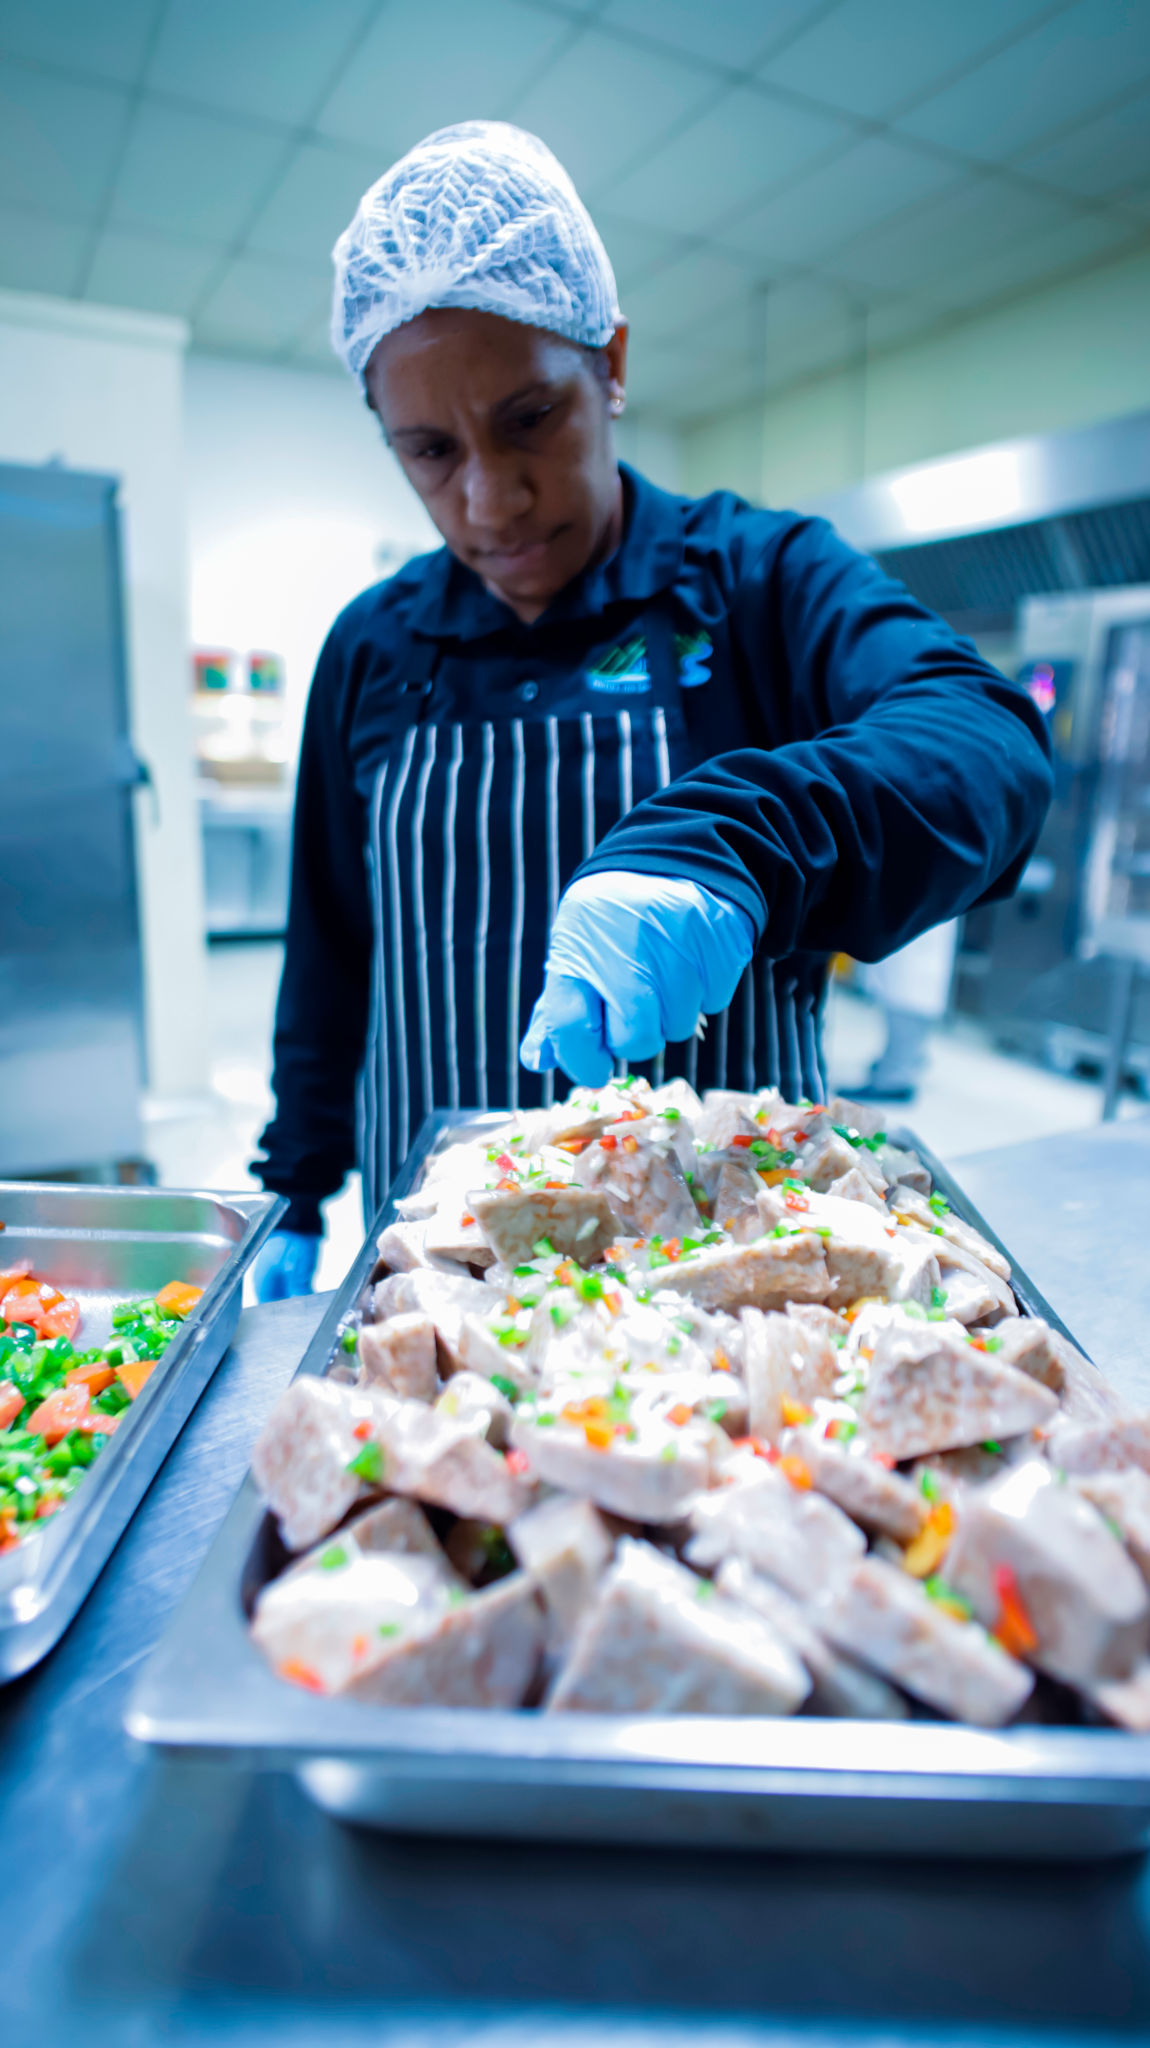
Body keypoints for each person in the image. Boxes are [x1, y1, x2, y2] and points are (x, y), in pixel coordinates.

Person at [251, 120, 1052, 1300]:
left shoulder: (759, 580)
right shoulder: (372, 646)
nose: (490, 498)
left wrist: (741, 843)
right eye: (428, 451)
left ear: (610, 363)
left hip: (729, 1282)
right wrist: (295, 1185)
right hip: (440, 1271)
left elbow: (987, 745)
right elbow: (330, 953)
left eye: (530, 417)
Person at [852, 919, 960, 1105]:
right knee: (908, 993)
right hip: (919, 947)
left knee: (909, 996)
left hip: (919, 948)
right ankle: (897, 1069)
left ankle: (894, 1079)